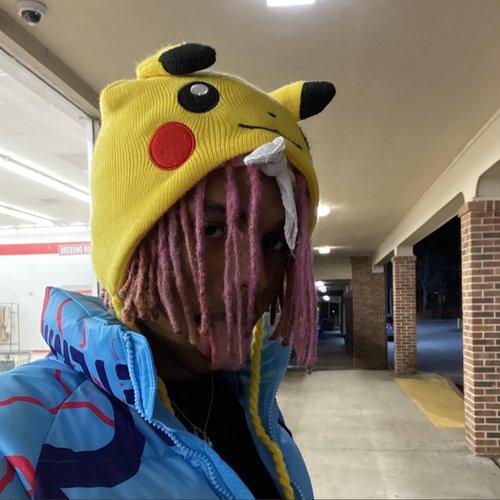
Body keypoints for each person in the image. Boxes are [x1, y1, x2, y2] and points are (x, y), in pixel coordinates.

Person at [0, 42, 334, 499]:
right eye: (212, 230)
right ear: (130, 243)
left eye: (274, 242)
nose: (252, 278)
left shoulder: (251, 402)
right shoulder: (18, 435)